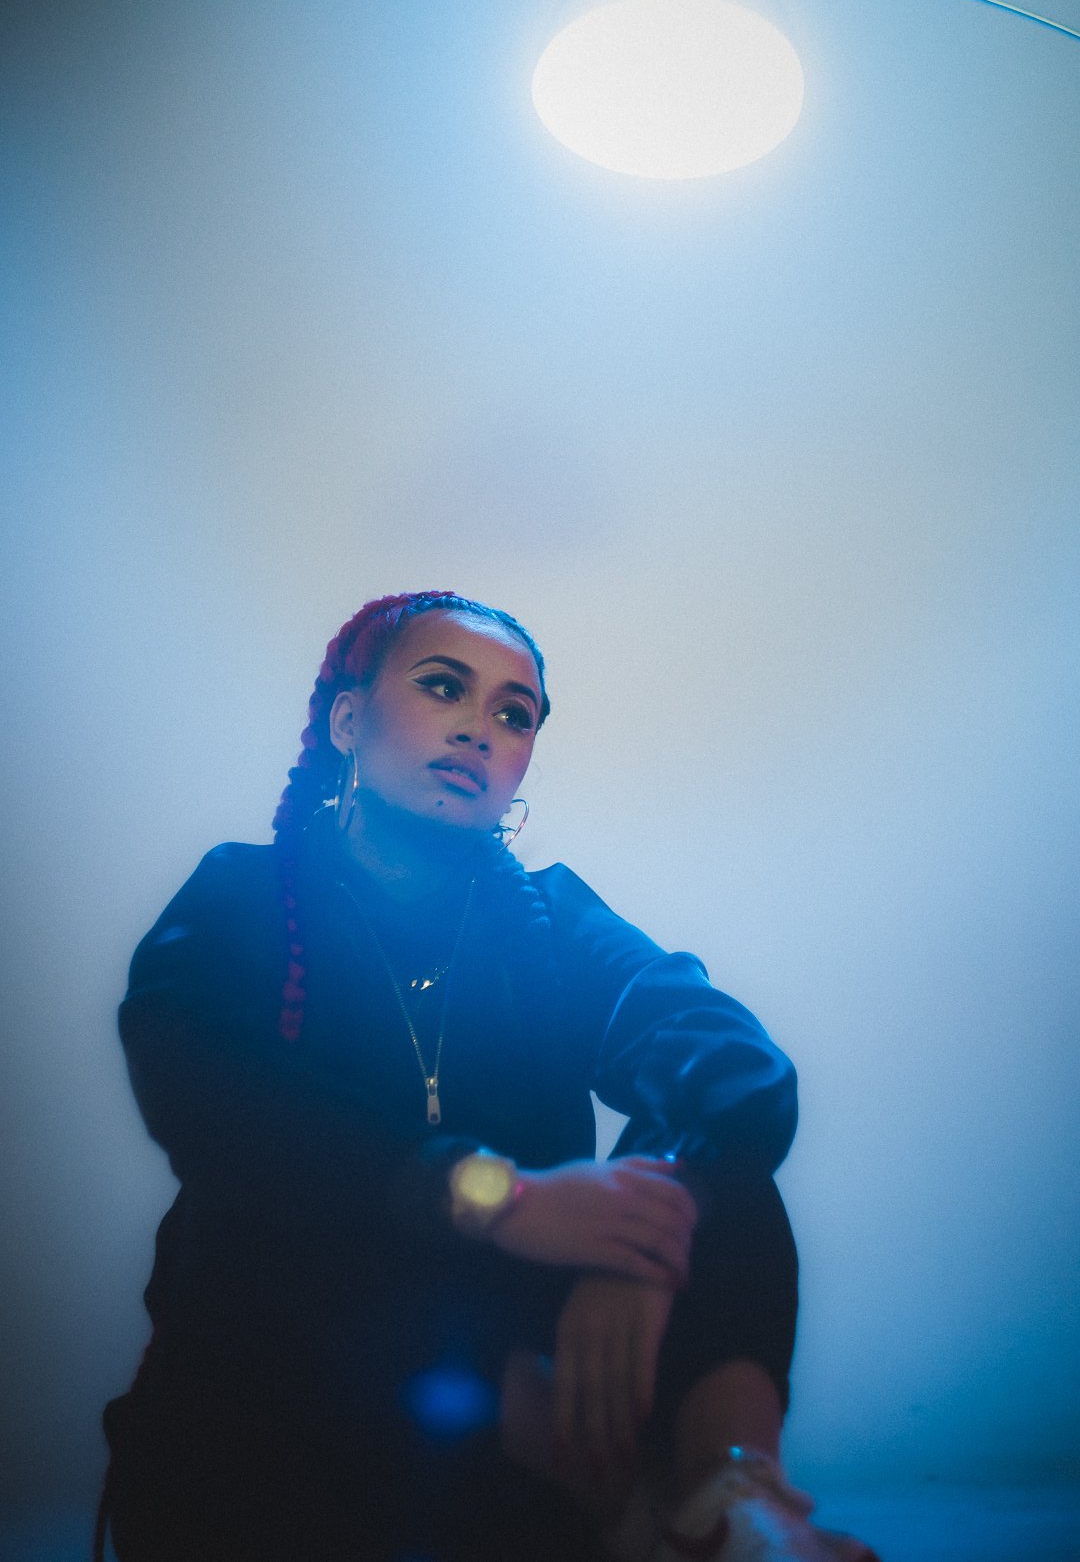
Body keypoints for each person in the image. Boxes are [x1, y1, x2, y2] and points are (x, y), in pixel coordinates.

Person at [97, 591, 877, 1562]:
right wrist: (490, 1195)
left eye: (515, 712)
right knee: (285, 1225)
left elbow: (729, 1057)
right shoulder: (242, 895)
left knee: (714, 1171)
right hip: (294, 1419)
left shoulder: (549, 918)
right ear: (349, 718)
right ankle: (615, 1500)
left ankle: (737, 1501)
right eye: (442, 686)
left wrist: (642, 1232)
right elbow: (210, 1097)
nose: (479, 726)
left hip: (512, 1373)